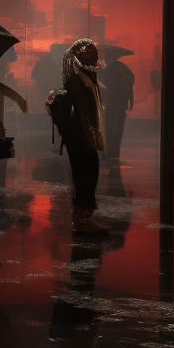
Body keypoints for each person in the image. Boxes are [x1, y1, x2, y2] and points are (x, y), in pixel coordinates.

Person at [64, 39, 110, 235]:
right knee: (85, 174)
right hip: (81, 136)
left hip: (86, 134)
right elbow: (82, 110)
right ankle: (83, 218)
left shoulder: (85, 76)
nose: (94, 56)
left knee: (88, 174)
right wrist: (89, 134)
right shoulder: (76, 79)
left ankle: (84, 216)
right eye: (90, 53)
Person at [99, 46, 135, 163]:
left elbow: (104, 84)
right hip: (121, 102)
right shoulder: (123, 68)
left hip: (110, 102)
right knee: (118, 126)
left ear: (112, 56)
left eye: (107, 56)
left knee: (108, 126)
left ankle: (108, 150)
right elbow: (130, 82)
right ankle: (114, 151)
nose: (105, 58)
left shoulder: (109, 69)